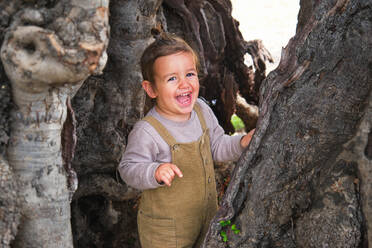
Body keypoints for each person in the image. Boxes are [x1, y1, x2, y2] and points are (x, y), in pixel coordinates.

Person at [118, 33, 255, 248]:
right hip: (165, 231)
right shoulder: (148, 130)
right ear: (151, 89)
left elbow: (218, 146)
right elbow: (128, 168)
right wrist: (154, 171)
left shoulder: (201, 110)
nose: (184, 84)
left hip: (205, 217)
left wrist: (241, 143)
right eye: (172, 78)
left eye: (190, 74)